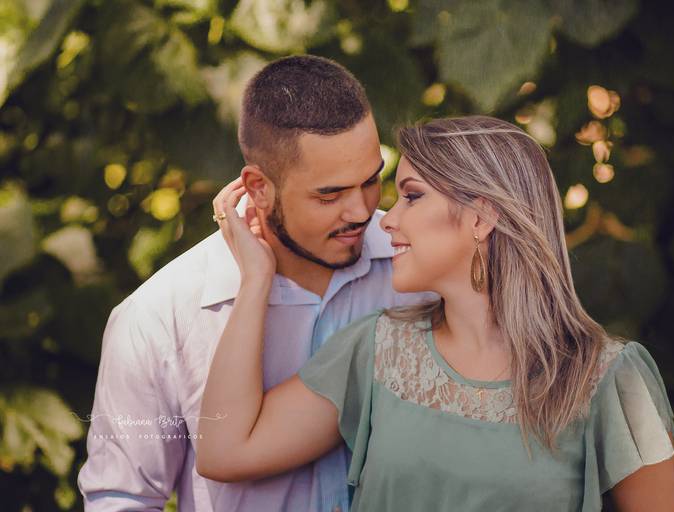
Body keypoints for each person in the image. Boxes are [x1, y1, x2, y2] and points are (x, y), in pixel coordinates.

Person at [197, 116, 674, 511]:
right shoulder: (378, 349)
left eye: (412, 196)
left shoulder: (607, 377)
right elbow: (224, 450)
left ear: (482, 216)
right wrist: (256, 279)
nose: (386, 220)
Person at [77, 55, 432, 511]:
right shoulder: (158, 317)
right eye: (329, 194)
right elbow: (122, 498)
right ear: (258, 187)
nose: (362, 211)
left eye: (370, 181)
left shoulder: (424, 271)